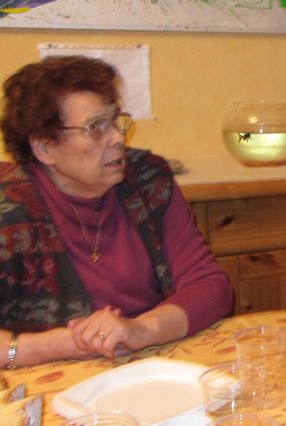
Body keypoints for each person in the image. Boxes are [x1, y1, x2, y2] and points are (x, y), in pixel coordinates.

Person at [1, 56, 233, 367]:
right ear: (45, 148)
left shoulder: (147, 179)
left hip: (150, 360)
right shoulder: (8, 207)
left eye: (114, 120)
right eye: (96, 127)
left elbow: (210, 287)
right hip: (46, 378)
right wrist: (63, 344)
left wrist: (142, 329)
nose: (118, 137)